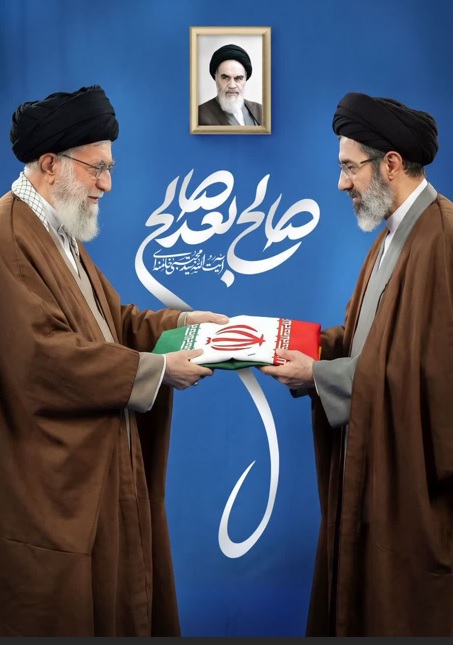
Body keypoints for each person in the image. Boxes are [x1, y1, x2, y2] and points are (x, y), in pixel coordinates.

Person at [0, 84, 229, 637]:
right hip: (54, 494)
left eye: (109, 169)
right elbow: (43, 358)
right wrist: (157, 370)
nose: (106, 183)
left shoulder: (55, 230)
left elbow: (110, 324)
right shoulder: (8, 235)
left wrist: (182, 323)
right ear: (50, 164)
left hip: (97, 477)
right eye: (96, 169)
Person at [259, 92, 453, 636]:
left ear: (390, 164)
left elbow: (431, 383)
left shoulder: (442, 239)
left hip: (412, 496)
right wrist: (294, 343)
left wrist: (317, 375)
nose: (341, 183)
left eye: (349, 167)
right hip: (373, 476)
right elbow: (371, 344)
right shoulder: (394, 234)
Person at [198, 43, 262, 126]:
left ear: (245, 79)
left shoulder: (260, 110)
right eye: (225, 78)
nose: (232, 85)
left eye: (238, 78)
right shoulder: (199, 115)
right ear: (216, 78)